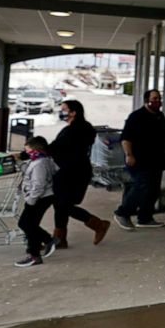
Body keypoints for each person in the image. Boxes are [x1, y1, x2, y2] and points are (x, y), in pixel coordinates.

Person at [48, 99, 111, 248]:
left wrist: (30, 152)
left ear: (73, 112)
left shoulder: (74, 130)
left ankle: (98, 224)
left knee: (63, 205)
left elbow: (55, 147)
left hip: (73, 172)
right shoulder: (82, 128)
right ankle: (60, 239)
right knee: (60, 204)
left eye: (64, 110)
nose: (61, 112)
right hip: (71, 170)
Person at [113, 89, 165, 230]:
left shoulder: (159, 116)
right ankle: (123, 213)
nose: (158, 101)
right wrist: (129, 154)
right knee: (142, 186)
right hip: (139, 160)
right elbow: (126, 138)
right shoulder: (137, 117)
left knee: (153, 190)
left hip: (157, 160)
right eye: (154, 98)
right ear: (146, 100)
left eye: (159, 98)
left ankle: (145, 218)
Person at [15, 136, 58, 267]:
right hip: (40, 197)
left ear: (37, 150)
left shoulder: (41, 164)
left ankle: (35, 254)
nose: (26, 153)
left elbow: (39, 185)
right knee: (28, 224)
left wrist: (31, 201)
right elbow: (29, 171)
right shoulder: (38, 160)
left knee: (27, 224)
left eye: (28, 151)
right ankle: (47, 241)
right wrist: (18, 162)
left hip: (40, 197)